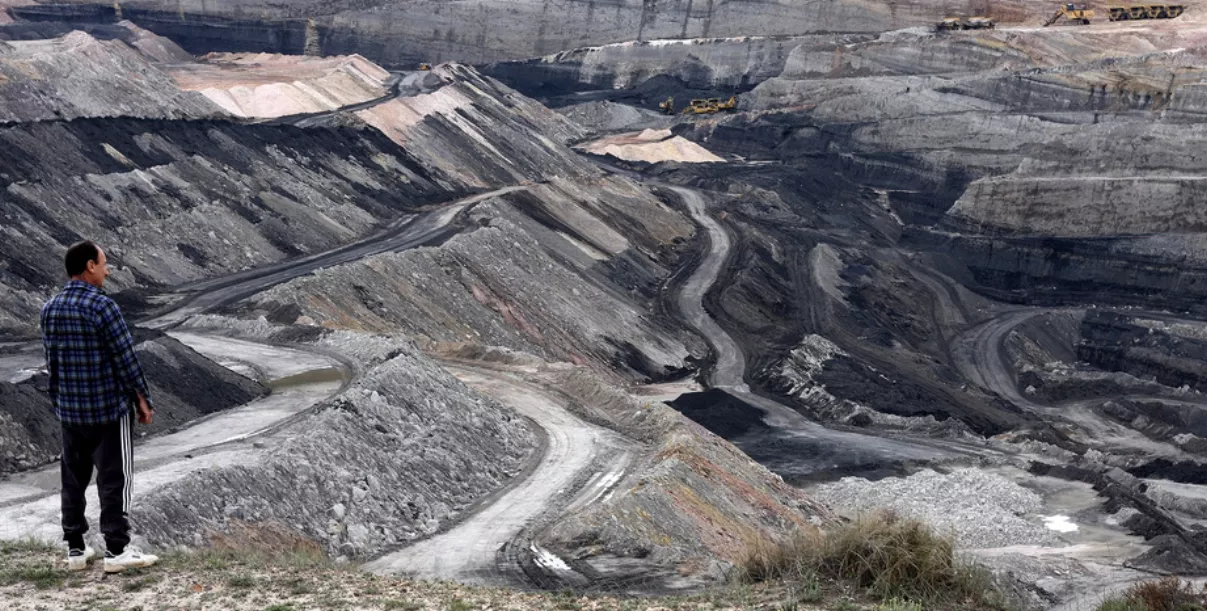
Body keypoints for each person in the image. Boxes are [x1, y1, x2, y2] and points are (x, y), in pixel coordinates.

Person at [40, 241, 159, 573]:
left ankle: (76, 549)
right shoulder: (103, 307)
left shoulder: (50, 308)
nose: (108, 270)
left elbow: (53, 362)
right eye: (105, 264)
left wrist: (58, 401)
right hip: (107, 409)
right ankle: (117, 550)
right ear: (90, 266)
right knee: (114, 479)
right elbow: (125, 358)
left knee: (72, 479)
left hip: (70, 411)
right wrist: (143, 399)